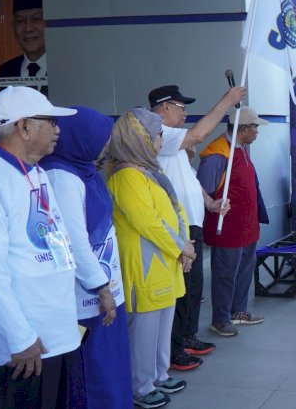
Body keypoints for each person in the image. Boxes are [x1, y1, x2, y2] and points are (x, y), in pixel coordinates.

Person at [0, 86, 87, 408]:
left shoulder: (38, 173)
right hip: (26, 345)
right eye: (50, 121)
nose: (58, 129)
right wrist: (20, 337)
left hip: (57, 333)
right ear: (24, 126)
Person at [41, 106, 133, 409]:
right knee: (93, 375)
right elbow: (75, 244)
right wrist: (102, 288)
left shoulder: (84, 170)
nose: (108, 145)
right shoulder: (61, 176)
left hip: (104, 288)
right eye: (103, 138)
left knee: (110, 367)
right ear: (83, 137)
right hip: (87, 297)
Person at [149, 84, 241, 371]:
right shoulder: (160, 134)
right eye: (181, 107)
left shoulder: (176, 144)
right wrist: (226, 101)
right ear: (164, 108)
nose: (185, 113)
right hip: (177, 228)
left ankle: (188, 337)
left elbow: (190, 179)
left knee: (193, 288)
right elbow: (200, 133)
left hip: (192, 224)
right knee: (181, 290)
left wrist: (211, 204)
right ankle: (175, 349)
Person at [107, 107, 192, 408]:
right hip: (145, 260)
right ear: (139, 138)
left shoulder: (151, 170)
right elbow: (147, 221)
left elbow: (175, 208)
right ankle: (141, 386)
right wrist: (181, 247)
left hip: (166, 257)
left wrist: (185, 243)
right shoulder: (127, 175)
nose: (160, 139)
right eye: (157, 133)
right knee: (143, 327)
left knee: (162, 321)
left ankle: (159, 373)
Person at [198, 108, 269, 337]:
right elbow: (203, 191)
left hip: (246, 227)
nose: (258, 132)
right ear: (244, 129)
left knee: (244, 271)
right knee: (225, 274)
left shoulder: (243, 150)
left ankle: (238, 311)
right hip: (227, 228)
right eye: (255, 127)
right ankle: (220, 319)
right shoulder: (217, 154)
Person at [0, 0, 48, 96]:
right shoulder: (6, 70)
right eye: (20, 21)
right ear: (13, 26)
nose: (28, 28)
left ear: (47, 23)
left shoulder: (63, 67)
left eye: (36, 19)